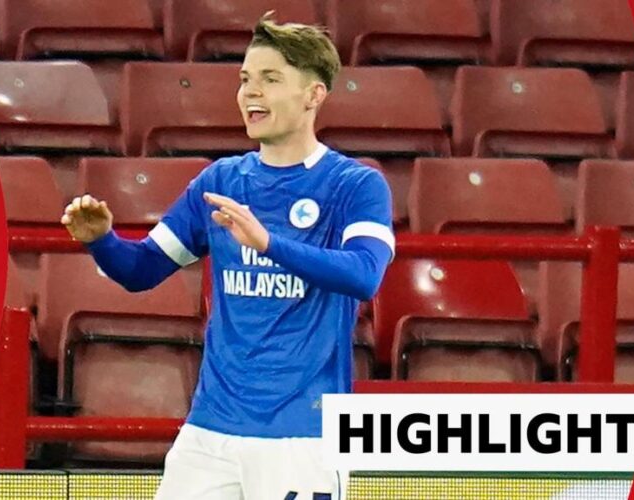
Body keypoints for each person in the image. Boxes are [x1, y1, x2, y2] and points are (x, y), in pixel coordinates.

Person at [61, 13, 394, 500]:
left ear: (314, 95)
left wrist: (270, 244)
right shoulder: (220, 182)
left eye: (270, 79)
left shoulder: (356, 184)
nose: (250, 93)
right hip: (209, 434)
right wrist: (102, 241)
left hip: (301, 438)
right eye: (244, 80)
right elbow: (141, 270)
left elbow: (365, 276)